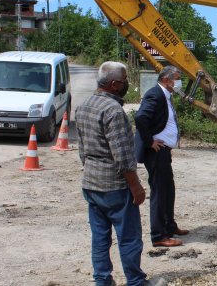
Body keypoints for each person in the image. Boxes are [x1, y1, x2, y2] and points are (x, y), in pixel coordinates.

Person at [75, 61, 148, 286]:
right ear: (115, 84)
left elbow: (82, 149)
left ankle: (102, 280)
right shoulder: (113, 111)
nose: (127, 84)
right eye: (125, 81)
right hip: (114, 187)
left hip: (91, 183)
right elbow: (123, 156)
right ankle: (135, 281)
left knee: (100, 237)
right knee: (129, 238)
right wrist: (135, 185)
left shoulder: (84, 105)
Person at [134, 65, 189, 248]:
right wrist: (150, 141)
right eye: (177, 78)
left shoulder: (165, 95)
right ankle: (159, 235)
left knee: (168, 189)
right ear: (166, 79)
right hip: (156, 152)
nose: (179, 82)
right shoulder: (155, 95)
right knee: (159, 191)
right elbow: (140, 118)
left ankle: (169, 226)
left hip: (164, 152)